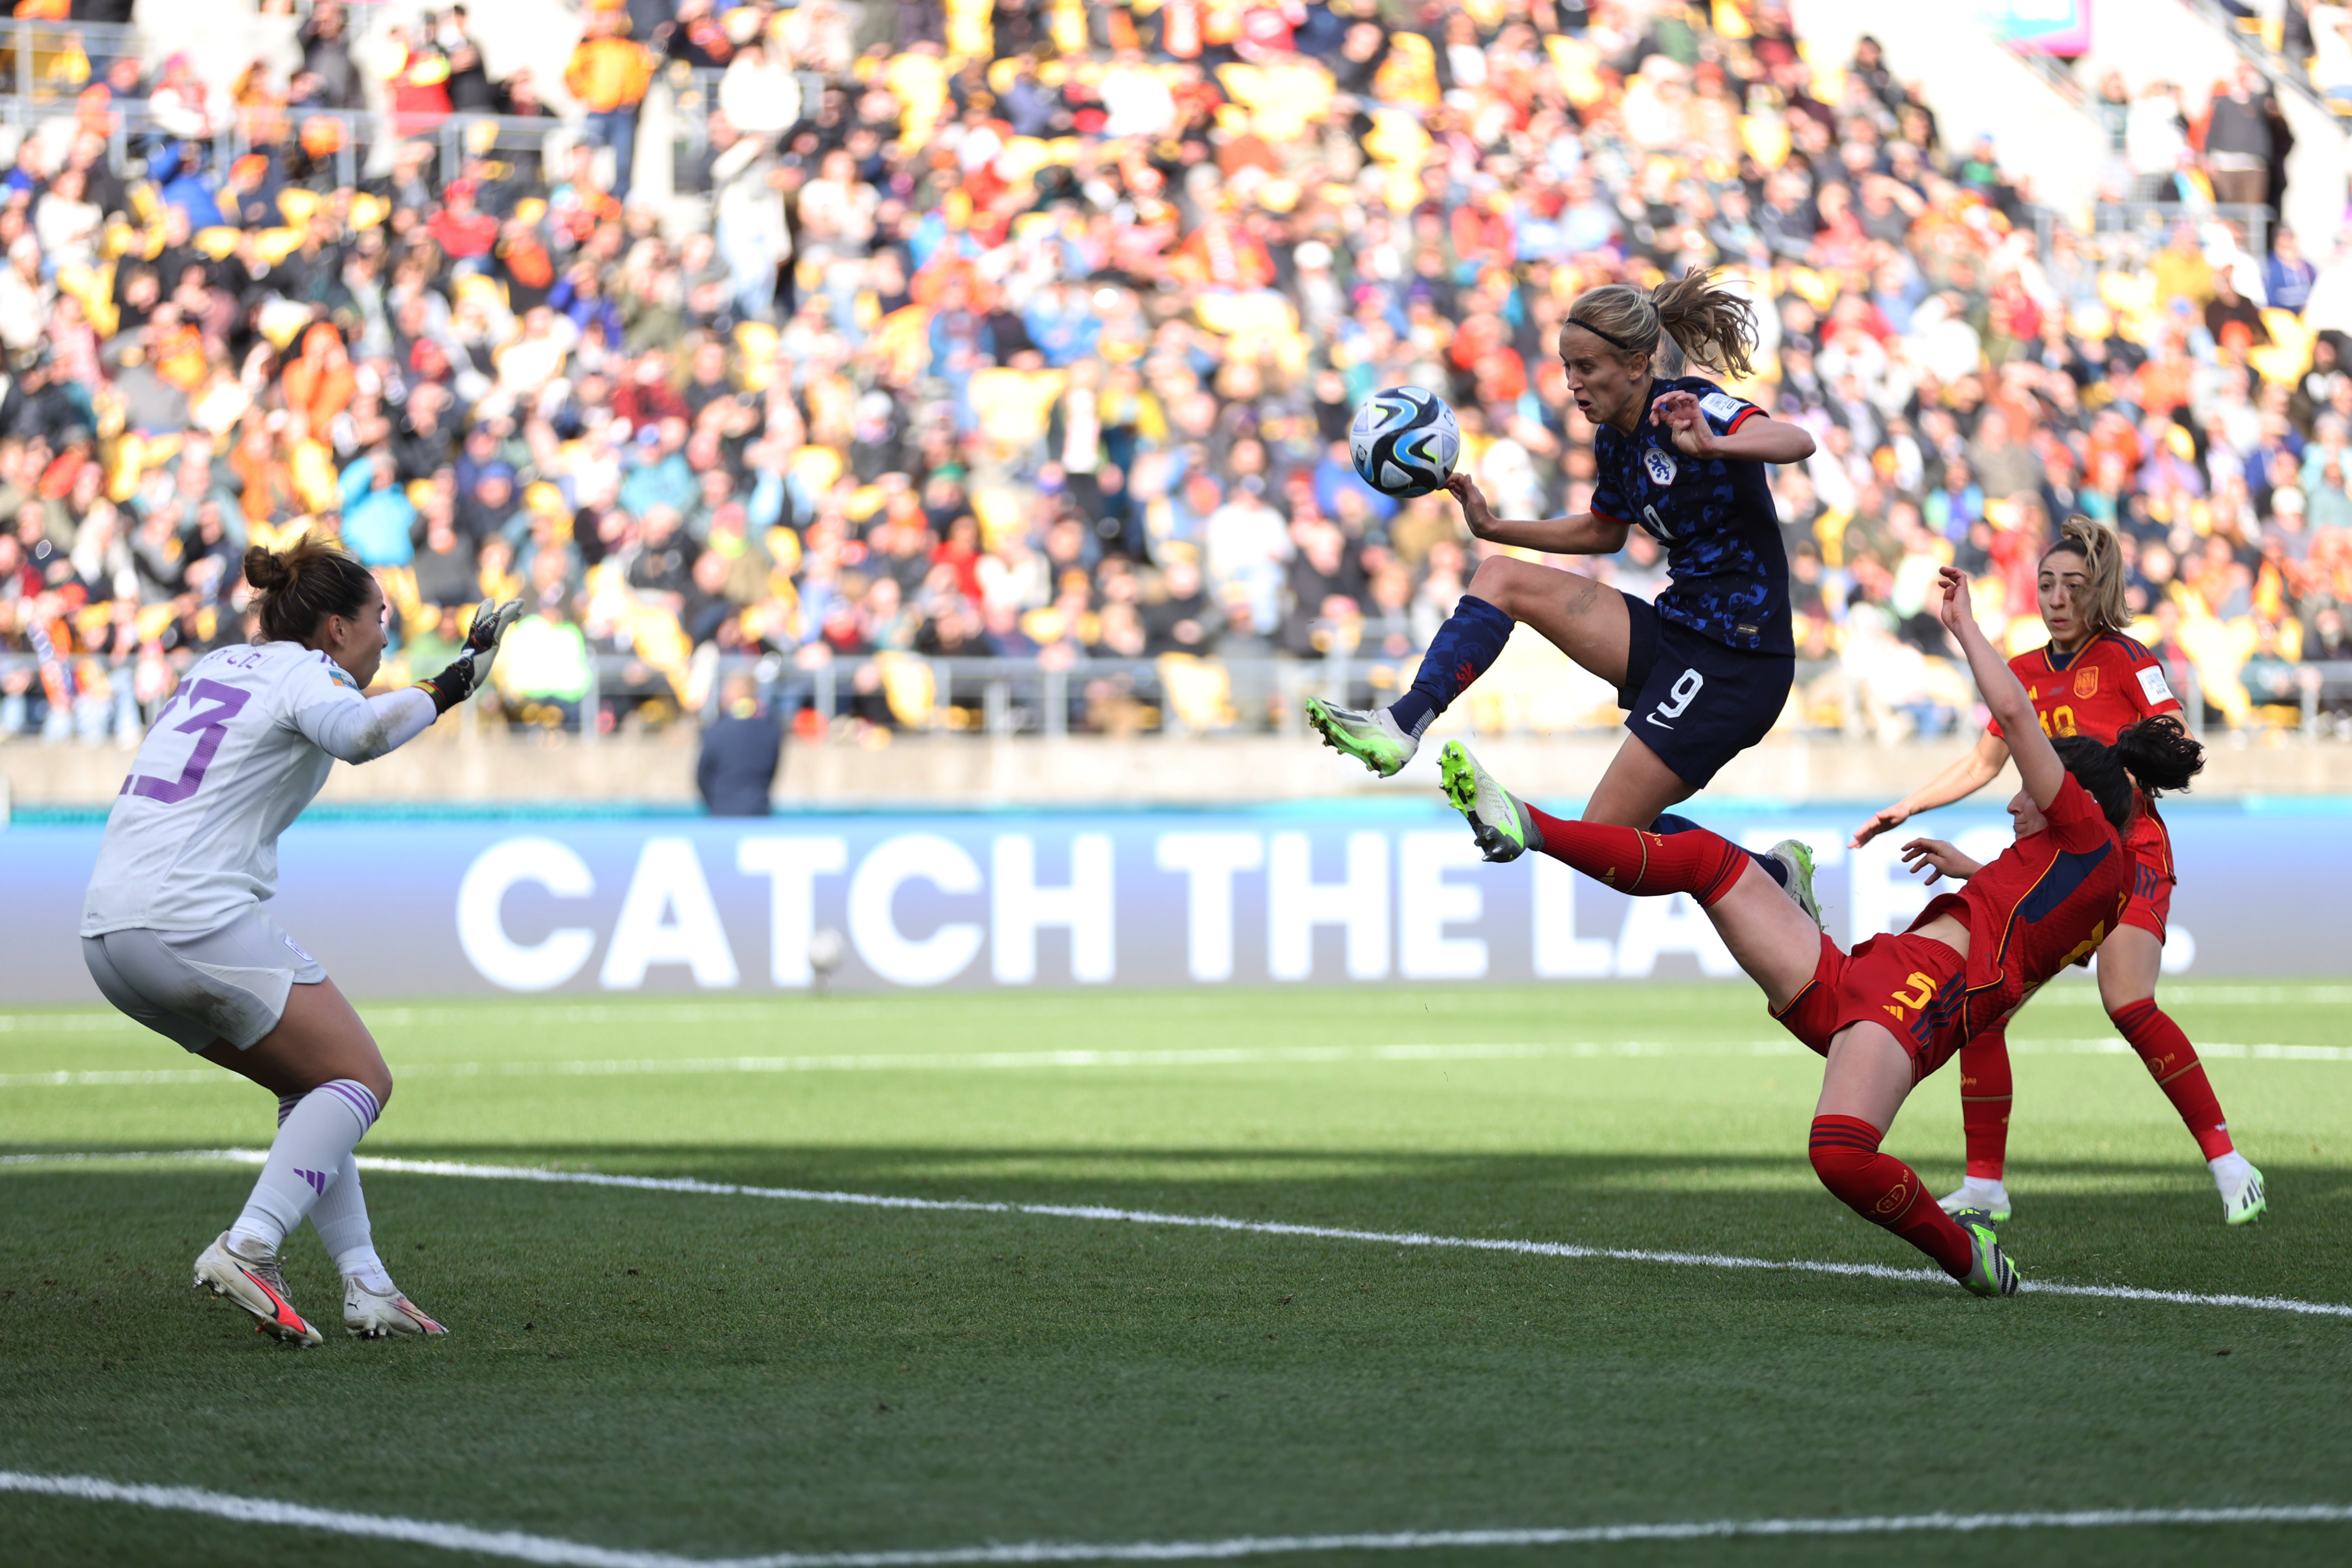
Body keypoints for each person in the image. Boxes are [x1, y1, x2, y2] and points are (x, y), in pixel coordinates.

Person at [1436, 567, 2208, 1296]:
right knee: (1706, 861)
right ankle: (1543, 828)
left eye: (2025, 796)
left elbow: (2012, 714)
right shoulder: (2091, 873)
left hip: (1913, 999)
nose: (2014, 804)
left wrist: (1967, 628)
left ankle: (1965, 1254)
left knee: (1839, 1152)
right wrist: (1976, 870)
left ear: (2068, 797)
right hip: (1866, 979)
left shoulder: (2081, 830)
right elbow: (2041, 929)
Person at [79, 537, 521, 1345]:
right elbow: (358, 735)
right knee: (361, 1078)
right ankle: (249, 1244)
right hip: (189, 915)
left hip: (110, 928)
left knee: (310, 1086)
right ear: (333, 628)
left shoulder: (216, 666)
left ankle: (368, 1282)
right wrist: (456, 680)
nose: (386, 638)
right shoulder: (304, 672)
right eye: (378, 619)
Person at [1306, 271, 1824, 908]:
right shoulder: (1615, 437)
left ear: (1638, 364)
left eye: (1586, 367)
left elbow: (1797, 441)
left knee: (1606, 836)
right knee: (1500, 574)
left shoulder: (1688, 405)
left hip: (1739, 662)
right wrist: (1496, 527)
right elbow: (1605, 531)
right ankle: (1402, 725)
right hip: (1680, 631)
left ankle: (1772, 880)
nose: (1572, 384)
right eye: (1566, 367)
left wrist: (1719, 443)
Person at [1850, 520, 2266, 1225]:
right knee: (1982, 1005)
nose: (2057, 597)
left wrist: (2117, 768)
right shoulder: (2021, 672)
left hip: (2129, 850)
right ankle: (1985, 1184)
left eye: (2073, 585)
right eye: (2047, 584)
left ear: (2099, 590)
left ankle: (2229, 1162)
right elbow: (1985, 764)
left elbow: (2178, 738)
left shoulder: (2130, 658)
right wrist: (1908, 803)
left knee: (2127, 999)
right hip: (2059, 863)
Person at [697, 670, 782, 816]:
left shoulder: (718, 729)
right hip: (758, 811)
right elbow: (772, 771)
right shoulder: (770, 730)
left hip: (722, 814)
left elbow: (703, 774)